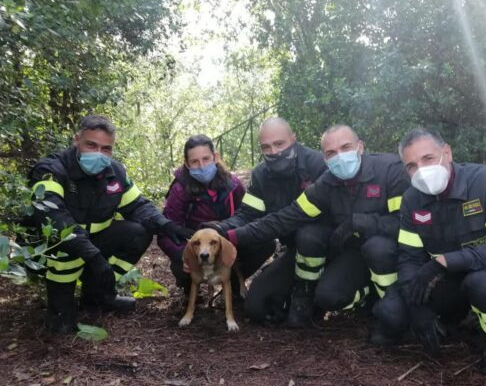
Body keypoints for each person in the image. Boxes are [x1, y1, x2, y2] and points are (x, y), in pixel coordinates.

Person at [372, 128, 486, 377]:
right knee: (391, 313)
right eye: (412, 166)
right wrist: (417, 308)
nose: (421, 170)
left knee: (484, 285)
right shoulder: (412, 200)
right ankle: (453, 321)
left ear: (446, 152)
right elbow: (409, 258)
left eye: (427, 159)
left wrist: (445, 262)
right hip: (451, 278)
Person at [224, 125, 410, 329]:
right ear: (325, 158)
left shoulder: (391, 170)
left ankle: (380, 298)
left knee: (376, 249)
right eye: (331, 153)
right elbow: (286, 217)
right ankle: (305, 294)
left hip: (384, 254)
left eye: (346, 147)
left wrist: (359, 222)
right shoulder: (326, 184)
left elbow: (403, 224)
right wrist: (231, 235)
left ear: (360, 147)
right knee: (316, 282)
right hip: (345, 252)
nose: (340, 157)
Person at [28, 115, 192, 333]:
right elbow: (56, 219)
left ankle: (98, 294)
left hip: (91, 244)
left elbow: (138, 206)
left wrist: (166, 225)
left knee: (138, 233)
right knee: (62, 329)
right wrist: (94, 257)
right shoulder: (51, 170)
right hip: (54, 249)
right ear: (77, 140)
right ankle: (60, 306)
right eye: (91, 145)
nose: (98, 153)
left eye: (106, 148)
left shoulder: (114, 172)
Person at [204, 117, 326, 323]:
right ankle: (295, 290)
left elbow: (291, 217)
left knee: (310, 237)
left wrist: (234, 235)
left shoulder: (318, 165)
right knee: (257, 307)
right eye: (266, 147)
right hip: (296, 253)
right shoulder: (261, 174)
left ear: (293, 139)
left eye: (280, 144)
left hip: (328, 246)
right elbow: (247, 214)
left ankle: (310, 294)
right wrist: (219, 228)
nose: (274, 152)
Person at [158, 135, 267, 296]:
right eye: (195, 162)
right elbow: (166, 231)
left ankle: (233, 288)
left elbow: (249, 216)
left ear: (215, 157)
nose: (201, 166)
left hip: (227, 243)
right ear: (187, 164)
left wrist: (232, 239)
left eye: (206, 159)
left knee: (266, 244)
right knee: (179, 265)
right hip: (195, 249)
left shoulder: (234, 185)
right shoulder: (180, 190)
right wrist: (181, 254)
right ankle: (190, 290)